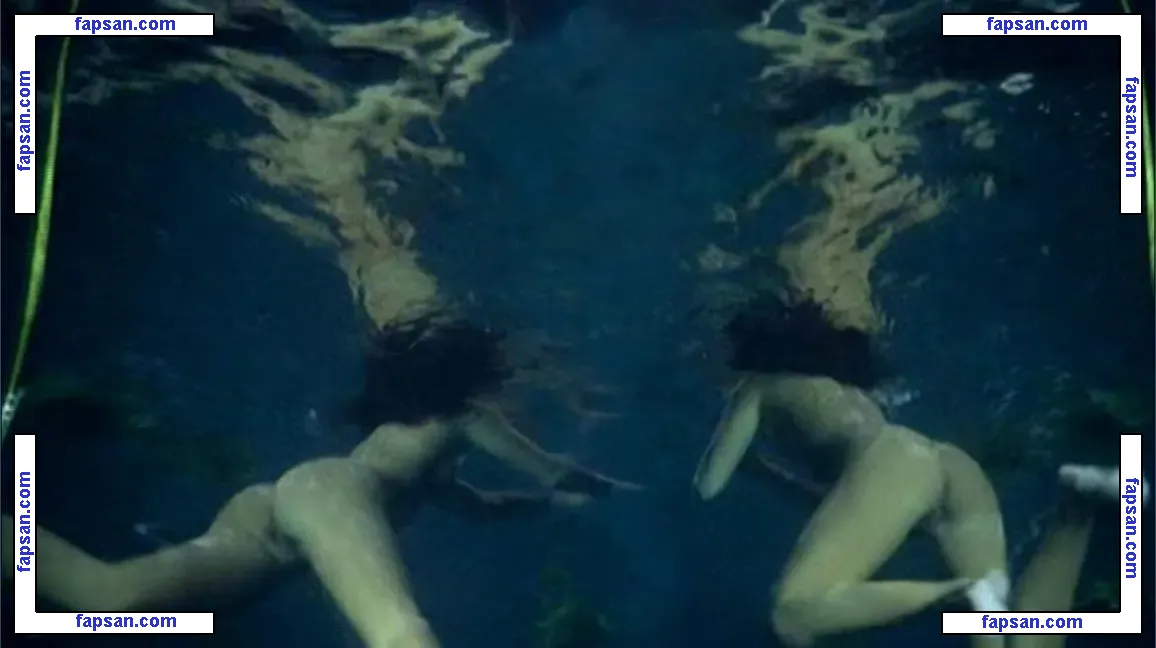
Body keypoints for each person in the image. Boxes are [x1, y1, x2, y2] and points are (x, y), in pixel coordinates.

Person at [2, 315, 638, 648]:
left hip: (281, 516)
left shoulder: (420, 463)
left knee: (108, 599)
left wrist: (550, 504)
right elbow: (550, 465)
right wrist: (611, 489)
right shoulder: (467, 416)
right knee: (398, 631)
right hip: (329, 496)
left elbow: (487, 507)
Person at [692, 294, 1009, 647]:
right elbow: (851, 498)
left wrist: (720, 440)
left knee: (791, 612)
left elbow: (708, 486)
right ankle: (1057, 621)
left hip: (898, 460)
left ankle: (953, 597)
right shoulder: (843, 383)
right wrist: (766, 474)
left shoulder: (757, 386)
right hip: (951, 464)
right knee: (1000, 626)